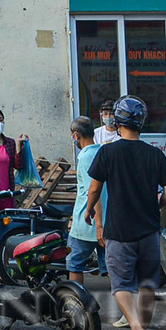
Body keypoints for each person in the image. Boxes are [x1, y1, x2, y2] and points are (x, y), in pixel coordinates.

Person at [84, 95, 166, 330]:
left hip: (120, 231)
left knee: (122, 284)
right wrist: (156, 205)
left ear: (117, 120)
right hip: (149, 230)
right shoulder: (154, 154)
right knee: (147, 284)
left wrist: (89, 209)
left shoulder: (108, 151)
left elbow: (95, 187)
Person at [66, 117, 103, 277]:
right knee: (111, 268)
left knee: (75, 264)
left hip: (87, 223)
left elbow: (94, 192)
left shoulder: (87, 158)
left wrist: (99, 225)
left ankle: (76, 301)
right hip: (108, 221)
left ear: (75, 135)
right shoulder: (102, 152)